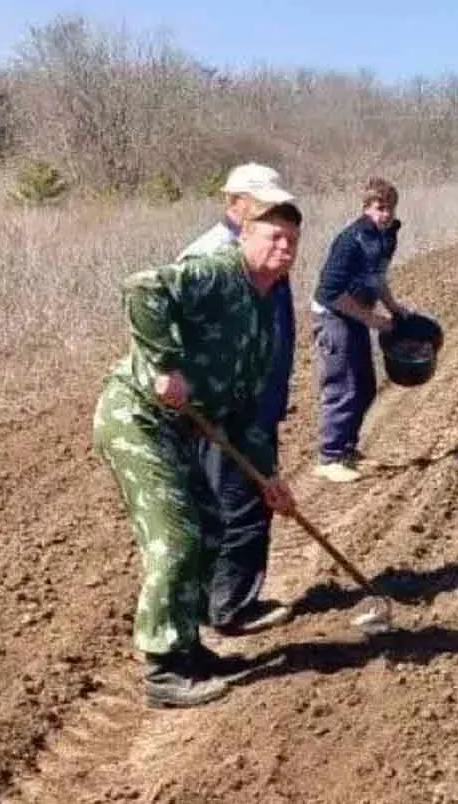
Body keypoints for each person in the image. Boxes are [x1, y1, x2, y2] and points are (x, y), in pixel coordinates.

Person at [92, 197, 304, 709]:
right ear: (245, 236)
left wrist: (267, 477)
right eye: (272, 236)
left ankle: (188, 648)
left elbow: (244, 412)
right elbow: (142, 287)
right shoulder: (217, 274)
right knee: (177, 537)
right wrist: (165, 364)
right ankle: (163, 670)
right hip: (139, 418)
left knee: (210, 527)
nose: (283, 248)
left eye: (292, 241)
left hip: (184, 429)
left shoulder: (262, 316)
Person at [177, 162, 297, 637]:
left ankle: (225, 598)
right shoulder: (212, 256)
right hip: (224, 407)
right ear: (234, 203)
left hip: (255, 399)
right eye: (260, 201)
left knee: (252, 496)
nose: (271, 212)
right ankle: (229, 606)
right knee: (238, 502)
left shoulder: (267, 244)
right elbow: (169, 318)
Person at [310, 177, 413, 483]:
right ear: (366, 208)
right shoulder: (350, 239)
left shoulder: (387, 236)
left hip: (355, 315)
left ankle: (347, 450)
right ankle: (329, 458)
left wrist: (393, 307)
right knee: (343, 387)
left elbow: (377, 278)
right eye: (379, 208)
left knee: (366, 386)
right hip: (332, 316)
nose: (385, 214)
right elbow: (329, 292)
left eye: (390, 208)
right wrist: (372, 319)